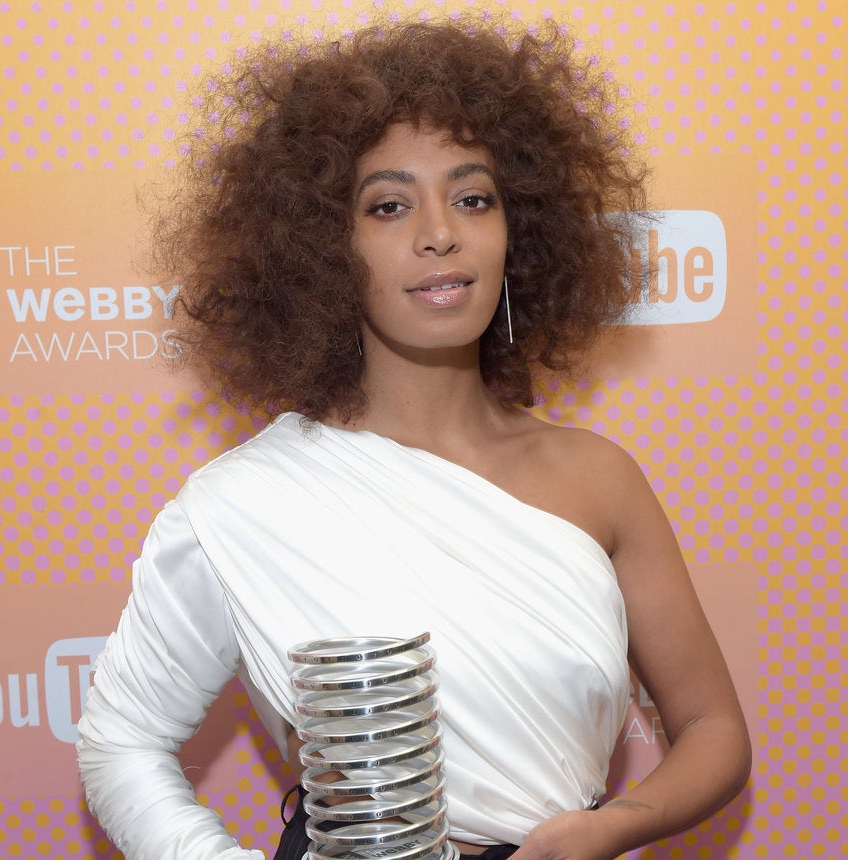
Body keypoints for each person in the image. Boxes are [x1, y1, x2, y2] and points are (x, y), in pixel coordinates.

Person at [76, 14, 751, 860]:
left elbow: (714, 728)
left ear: (520, 232)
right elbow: (120, 742)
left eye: (473, 198)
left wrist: (615, 826)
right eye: (389, 205)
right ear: (323, 249)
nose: (440, 232)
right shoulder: (242, 504)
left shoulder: (599, 478)